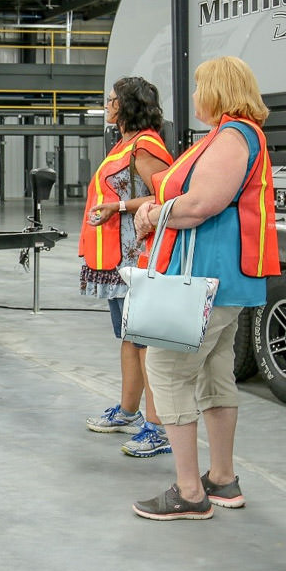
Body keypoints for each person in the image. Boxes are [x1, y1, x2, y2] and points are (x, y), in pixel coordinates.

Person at [131, 56, 279, 520]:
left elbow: (200, 205)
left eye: (198, 88)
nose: (194, 98)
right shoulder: (231, 135)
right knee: (215, 372)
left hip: (206, 278)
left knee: (168, 369)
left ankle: (190, 491)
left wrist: (152, 214)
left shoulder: (235, 136)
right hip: (220, 280)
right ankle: (222, 478)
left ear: (217, 90)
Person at [79, 76, 172, 456]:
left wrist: (118, 207)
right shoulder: (125, 144)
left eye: (112, 99)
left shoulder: (146, 146)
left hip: (138, 257)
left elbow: (164, 194)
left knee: (146, 341)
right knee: (129, 337)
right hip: (116, 259)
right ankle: (129, 411)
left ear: (127, 105)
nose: (107, 103)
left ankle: (159, 426)